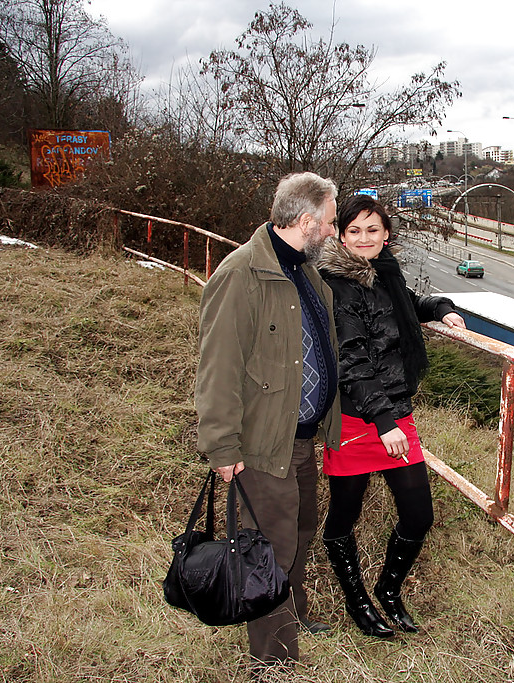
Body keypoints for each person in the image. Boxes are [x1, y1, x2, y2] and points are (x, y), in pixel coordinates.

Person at [194, 172, 342, 674]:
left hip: (299, 441)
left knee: (299, 533)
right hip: (260, 445)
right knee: (273, 550)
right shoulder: (241, 275)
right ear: (305, 221)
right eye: (329, 222)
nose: (333, 231)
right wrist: (222, 447)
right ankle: (274, 661)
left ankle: (293, 617)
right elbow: (218, 367)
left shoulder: (305, 272)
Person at [316, 194, 465, 638]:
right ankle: (357, 601)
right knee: (344, 515)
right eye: (355, 230)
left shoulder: (386, 273)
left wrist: (441, 309)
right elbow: (351, 358)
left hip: (393, 411)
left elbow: (406, 305)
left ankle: (388, 589)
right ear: (341, 236)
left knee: (418, 514)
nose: (364, 238)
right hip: (357, 418)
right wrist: (383, 423)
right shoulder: (335, 283)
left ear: (386, 235)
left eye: (373, 230)